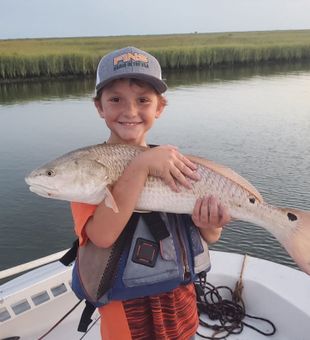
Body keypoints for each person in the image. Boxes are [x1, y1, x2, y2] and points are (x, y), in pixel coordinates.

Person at [71, 46, 231, 340]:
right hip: (125, 307)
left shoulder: (173, 164)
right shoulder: (87, 170)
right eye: (115, 99)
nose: (130, 111)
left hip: (180, 297)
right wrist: (141, 165)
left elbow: (210, 236)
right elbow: (103, 236)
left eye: (143, 100)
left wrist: (211, 222)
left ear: (159, 107)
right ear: (99, 107)